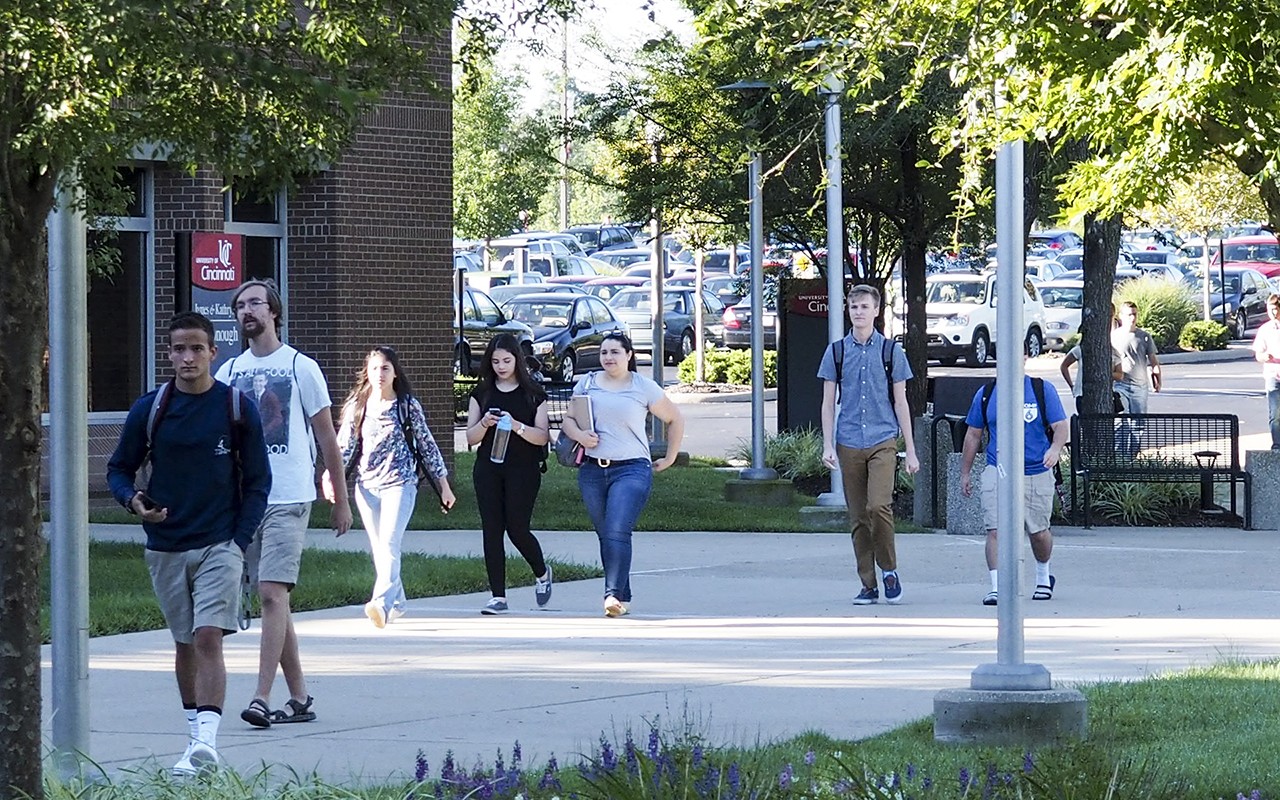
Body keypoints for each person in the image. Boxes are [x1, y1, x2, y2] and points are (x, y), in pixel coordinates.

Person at [106, 312, 271, 776]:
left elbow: (259, 481)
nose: (188, 357)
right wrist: (132, 500)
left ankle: (206, 744)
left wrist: (239, 541)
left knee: (207, 637)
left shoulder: (236, 408)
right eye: (179, 348)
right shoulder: (151, 408)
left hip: (220, 541)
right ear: (170, 353)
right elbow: (119, 468)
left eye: (197, 348)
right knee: (183, 644)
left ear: (214, 353)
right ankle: (193, 737)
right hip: (165, 544)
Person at [215, 279, 353, 730]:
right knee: (276, 601)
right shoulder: (229, 373)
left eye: (255, 302)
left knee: (272, 593)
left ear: (274, 311)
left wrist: (340, 499)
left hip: (291, 495)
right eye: (239, 305)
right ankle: (299, 697)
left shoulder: (300, 367)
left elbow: (327, 437)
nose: (246, 310)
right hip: (246, 498)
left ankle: (260, 697)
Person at [560, 332, 685, 617]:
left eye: (615, 352)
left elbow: (675, 418)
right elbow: (568, 420)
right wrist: (580, 434)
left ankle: (611, 595)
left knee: (617, 529)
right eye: (604, 352)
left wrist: (669, 457)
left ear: (629, 355)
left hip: (631, 469)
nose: (608, 358)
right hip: (592, 469)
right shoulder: (588, 383)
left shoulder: (643, 387)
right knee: (607, 534)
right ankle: (621, 595)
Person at [332, 346, 456, 627]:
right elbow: (343, 448)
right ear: (367, 372)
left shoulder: (407, 405)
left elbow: (427, 444)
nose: (379, 374)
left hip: (400, 484)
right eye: (375, 368)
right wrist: (332, 478)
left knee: (389, 543)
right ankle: (397, 602)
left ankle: (380, 604)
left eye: (385, 368)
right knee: (380, 549)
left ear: (395, 372)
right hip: (366, 487)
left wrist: (444, 485)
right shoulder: (357, 406)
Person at [818, 284, 920, 606]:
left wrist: (911, 450)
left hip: (882, 439)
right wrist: (827, 444)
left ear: (877, 311)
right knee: (858, 516)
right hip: (848, 440)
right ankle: (868, 583)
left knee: (879, 506)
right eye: (853, 306)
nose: (858, 312)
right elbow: (827, 401)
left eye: (864, 307)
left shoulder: (891, 352)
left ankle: (889, 569)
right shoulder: (837, 351)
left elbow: (901, 402)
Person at [958, 370, 1069, 606]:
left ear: (1025, 357)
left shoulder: (1041, 389)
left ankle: (1043, 577)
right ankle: (997, 587)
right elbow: (973, 434)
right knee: (995, 529)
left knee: (1038, 532)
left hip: (1035, 469)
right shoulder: (987, 393)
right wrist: (965, 473)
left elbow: (1060, 426)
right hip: (998, 469)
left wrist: (1055, 450)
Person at [464, 334, 553, 615]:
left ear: (517, 360)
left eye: (506, 360)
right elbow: (470, 436)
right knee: (492, 530)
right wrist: (485, 424)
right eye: (495, 361)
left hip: (523, 469)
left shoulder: (534, 394)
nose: (501, 366)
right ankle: (498, 596)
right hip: (488, 469)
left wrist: (516, 426)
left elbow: (542, 437)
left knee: (517, 528)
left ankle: (541, 571)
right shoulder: (482, 394)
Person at [1111, 301, 1162, 414]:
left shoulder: (1144, 337)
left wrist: (1158, 380)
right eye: (1129, 314)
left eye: (1135, 314)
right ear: (1121, 316)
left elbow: (1153, 361)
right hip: (1120, 385)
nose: (1133, 317)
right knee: (1121, 419)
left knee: (1138, 423)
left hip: (1139, 386)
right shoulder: (1113, 337)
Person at [1060, 327, 1124, 415]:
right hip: (1083, 394)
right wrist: (1072, 386)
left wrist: (1104, 373)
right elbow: (1064, 366)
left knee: (1104, 426)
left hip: (1105, 395)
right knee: (1087, 425)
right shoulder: (1081, 349)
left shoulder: (1112, 352)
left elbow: (1120, 375)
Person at [1253, 294, 1280, 450]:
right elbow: (1258, 354)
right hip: (1272, 375)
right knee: (1275, 414)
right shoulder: (1265, 330)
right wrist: (1264, 356)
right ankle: (1277, 446)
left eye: (1275, 310)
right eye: (1270, 310)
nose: (1273, 313)